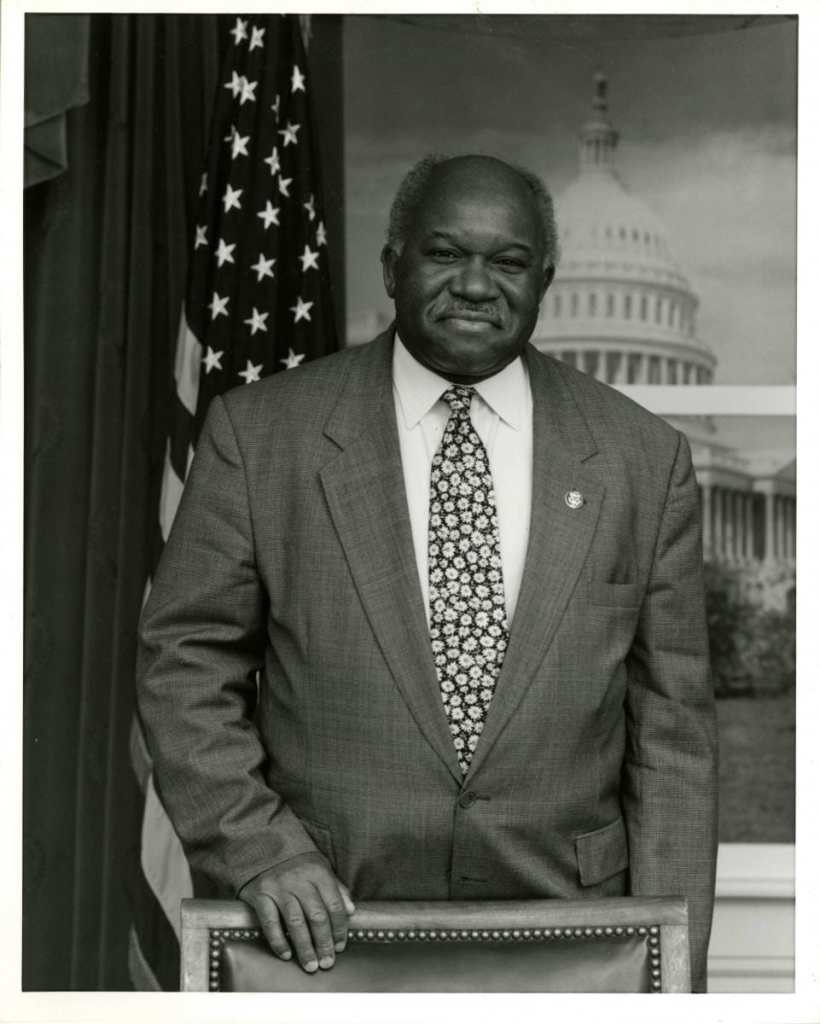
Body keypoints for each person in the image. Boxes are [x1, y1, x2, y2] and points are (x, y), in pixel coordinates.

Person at [137, 154, 718, 991]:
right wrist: (259, 852)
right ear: (393, 266)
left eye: (508, 262)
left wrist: (669, 965)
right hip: (323, 928)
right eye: (446, 254)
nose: (476, 285)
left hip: (573, 941)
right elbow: (182, 663)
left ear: (545, 280)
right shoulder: (262, 437)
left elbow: (674, 740)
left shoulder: (642, 459)